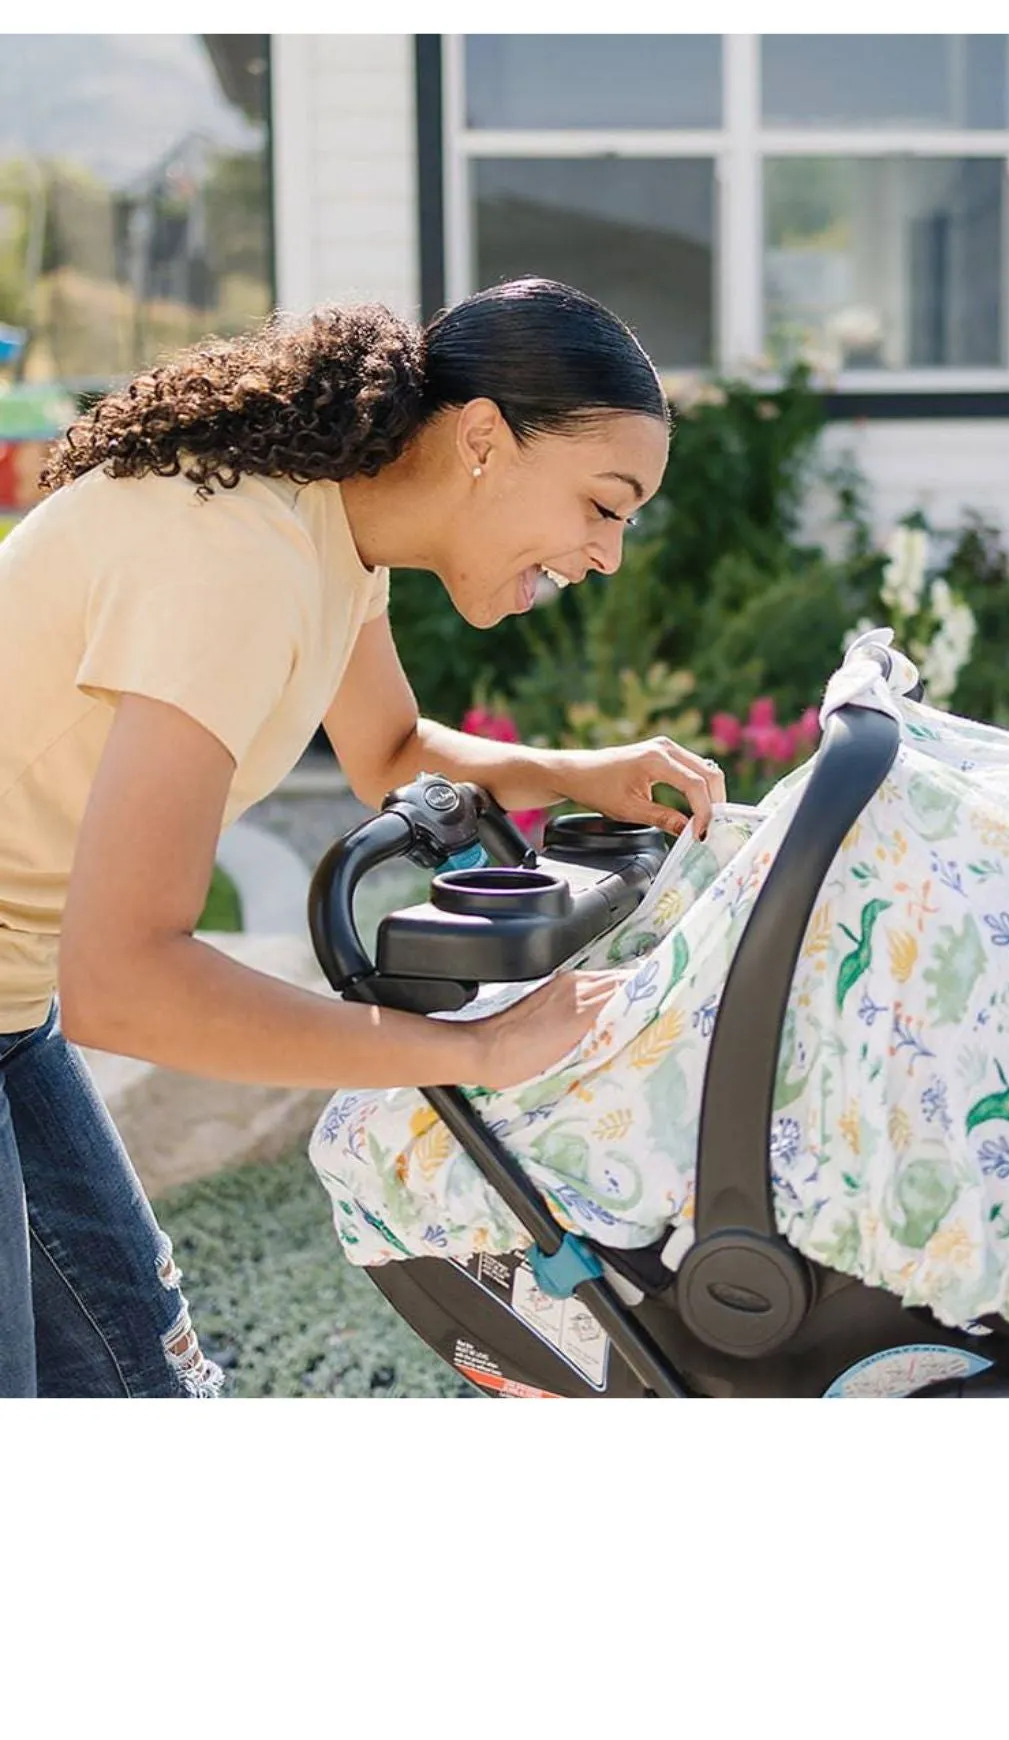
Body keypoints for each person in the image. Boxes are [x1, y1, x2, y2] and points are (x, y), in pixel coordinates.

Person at [0, 279, 723, 1398]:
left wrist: (586, 772)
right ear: (484, 438)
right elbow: (127, 981)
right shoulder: (237, 560)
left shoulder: (325, 526)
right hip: (39, 991)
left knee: (142, 1387)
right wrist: (475, 1052)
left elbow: (387, 751)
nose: (609, 552)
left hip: (13, 1004)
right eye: (603, 502)